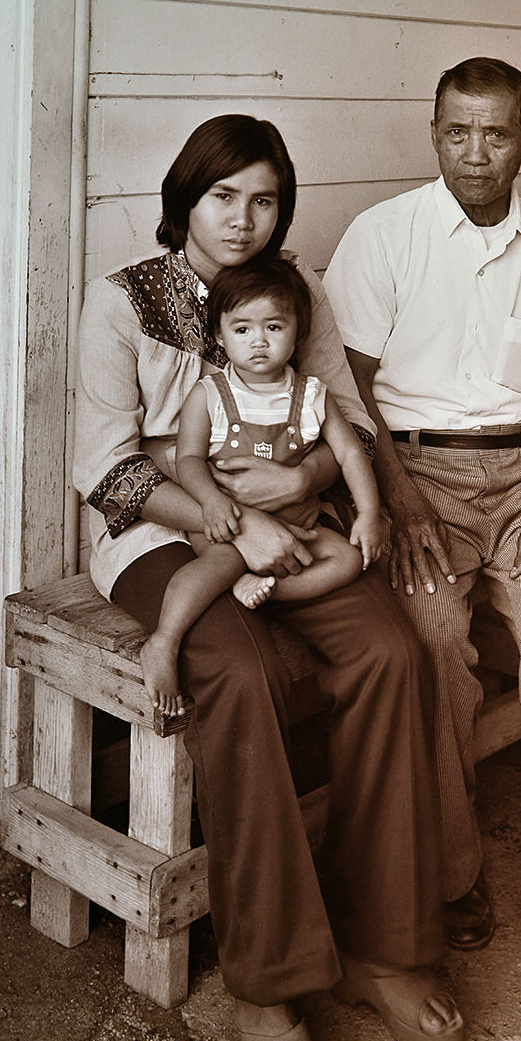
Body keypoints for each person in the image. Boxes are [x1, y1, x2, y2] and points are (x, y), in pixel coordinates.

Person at [73, 113, 464, 1041]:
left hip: (292, 524)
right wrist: (227, 518)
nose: (244, 221)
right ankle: (271, 985)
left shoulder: (300, 292)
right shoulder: (122, 303)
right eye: (223, 197)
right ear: (185, 200)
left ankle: (383, 946)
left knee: (390, 648)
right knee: (241, 674)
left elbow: (345, 421)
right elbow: (109, 468)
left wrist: (303, 475)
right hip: (162, 540)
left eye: (265, 199)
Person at [323, 58, 521, 1041]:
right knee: (430, 648)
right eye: (458, 131)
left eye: (496, 133)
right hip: (412, 480)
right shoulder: (384, 237)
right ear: (434, 134)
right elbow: (352, 388)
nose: (476, 151)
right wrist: (405, 505)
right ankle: (451, 878)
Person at [140, 256, 386, 716]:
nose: (258, 341)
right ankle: (164, 640)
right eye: (242, 329)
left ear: (297, 333)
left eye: (273, 327)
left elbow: (351, 452)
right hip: (230, 523)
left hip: (296, 525)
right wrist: (212, 502)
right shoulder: (210, 395)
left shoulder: (313, 395)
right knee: (215, 565)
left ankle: (261, 586)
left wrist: (370, 514)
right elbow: (188, 458)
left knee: (347, 560)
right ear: (219, 335)